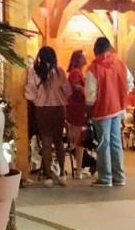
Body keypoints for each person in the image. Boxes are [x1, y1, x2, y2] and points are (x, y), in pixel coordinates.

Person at [84, 36, 132, 187]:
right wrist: (119, 96)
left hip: (102, 110)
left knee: (103, 144)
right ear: (109, 48)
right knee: (116, 143)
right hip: (117, 109)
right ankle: (119, 177)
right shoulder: (120, 64)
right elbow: (130, 83)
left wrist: (88, 112)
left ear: (95, 50)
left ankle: (105, 178)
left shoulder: (94, 69)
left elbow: (91, 95)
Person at [25, 45, 71, 186]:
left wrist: (36, 99)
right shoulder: (59, 72)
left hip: (42, 109)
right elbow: (68, 90)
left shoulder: (34, 71)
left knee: (46, 142)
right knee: (58, 141)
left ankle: (48, 176)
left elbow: (30, 91)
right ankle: (62, 173)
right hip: (58, 109)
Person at [65, 50, 90, 178]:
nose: (86, 57)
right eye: (84, 56)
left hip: (78, 108)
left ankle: (80, 167)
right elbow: (76, 87)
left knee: (79, 139)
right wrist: (88, 90)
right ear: (78, 59)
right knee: (79, 139)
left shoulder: (79, 72)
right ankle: (79, 169)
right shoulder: (75, 72)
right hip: (77, 108)